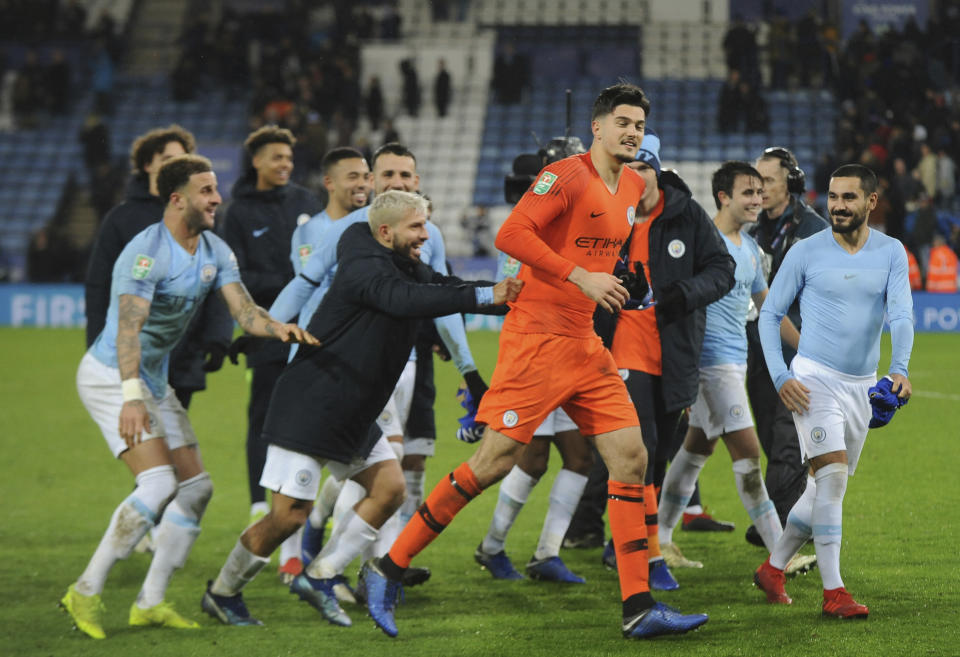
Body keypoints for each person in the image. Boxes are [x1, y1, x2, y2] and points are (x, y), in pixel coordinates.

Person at [360, 83, 709, 640]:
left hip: (584, 342)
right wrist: (580, 276)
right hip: (538, 339)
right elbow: (512, 233)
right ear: (597, 127)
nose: (632, 132)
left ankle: (639, 606)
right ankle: (387, 566)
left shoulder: (633, 185)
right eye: (622, 121)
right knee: (493, 463)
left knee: (631, 457)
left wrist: (620, 276)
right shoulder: (567, 176)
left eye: (639, 125)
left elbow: (594, 247)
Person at [202, 191, 520, 628]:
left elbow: (437, 284)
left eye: (426, 225)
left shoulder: (391, 255)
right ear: (386, 231)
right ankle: (223, 591)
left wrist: (496, 297)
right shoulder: (365, 268)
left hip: (353, 410)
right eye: (416, 227)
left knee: (389, 490)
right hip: (313, 403)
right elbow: (406, 300)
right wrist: (484, 299)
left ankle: (321, 574)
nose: (425, 236)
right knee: (287, 516)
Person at [61, 154, 317, 640]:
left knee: (196, 489)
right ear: (177, 199)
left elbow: (244, 311)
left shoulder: (214, 249)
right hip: (113, 377)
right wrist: (133, 398)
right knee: (158, 486)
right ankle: (85, 590)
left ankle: (150, 602)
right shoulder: (146, 253)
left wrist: (279, 328)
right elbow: (128, 333)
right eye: (206, 191)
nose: (217, 198)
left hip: (152, 380)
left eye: (216, 189)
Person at [753, 164, 913, 618]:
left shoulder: (891, 252)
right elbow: (769, 315)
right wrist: (782, 376)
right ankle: (834, 592)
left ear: (871, 202)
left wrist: (898, 369)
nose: (838, 205)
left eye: (848, 197)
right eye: (833, 196)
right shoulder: (806, 251)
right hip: (813, 379)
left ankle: (773, 566)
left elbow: (901, 315)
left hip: (861, 386)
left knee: (821, 491)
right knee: (833, 477)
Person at [585, 131, 735, 585]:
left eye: (644, 167)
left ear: (657, 172)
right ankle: (643, 555)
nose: (637, 176)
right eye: (629, 168)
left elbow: (722, 271)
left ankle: (627, 542)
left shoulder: (685, 215)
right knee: (641, 451)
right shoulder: (606, 212)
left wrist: (678, 295)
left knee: (660, 454)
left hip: (673, 353)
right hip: (620, 350)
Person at [656, 161, 814, 575]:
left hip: (732, 363)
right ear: (723, 196)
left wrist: (809, 350)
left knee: (694, 452)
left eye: (761, 193)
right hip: (711, 365)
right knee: (747, 453)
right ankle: (781, 553)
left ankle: (661, 539)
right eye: (748, 193)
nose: (758, 201)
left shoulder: (747, 248)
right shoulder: (702, 242)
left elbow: (770, 310)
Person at [219, 125, 323, 565]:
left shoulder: (306, 202)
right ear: (257, 161)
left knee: (309, 420)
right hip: (264, 334)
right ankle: (259, 503)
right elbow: (234, 277)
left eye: (289, 158)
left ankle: (301, 506)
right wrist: (293, 284)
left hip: (313, 331)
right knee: (262, 419)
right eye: (276, 158)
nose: (285, 165)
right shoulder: (236, 212)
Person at [85, 125, 233, 411]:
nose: (177, 165)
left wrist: (219, 338)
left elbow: (220, 281)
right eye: (168, 159)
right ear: (147, 165)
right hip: (134, 355)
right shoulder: (121, 219)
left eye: (183, 159)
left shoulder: (202, 216)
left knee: (174, 443)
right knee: (146, 443)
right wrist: (96, 344)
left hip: (185, 353)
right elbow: (99, 286)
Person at [473, 253, 593, 584]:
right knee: (533, 460)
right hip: (534, 357)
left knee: (580, 457)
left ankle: (547, 554)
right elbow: (512, 291)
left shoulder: (583, 229)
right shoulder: (524, 237)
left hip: (573, 355)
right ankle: (492, 546)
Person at [743, 147, 829, 547]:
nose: (760, 190)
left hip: (798, 352)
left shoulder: (811, 229)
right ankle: (795, 515)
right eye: (756, 182)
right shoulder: (754, 227)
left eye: (770, 181)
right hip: (760, 349)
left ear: (791, 184)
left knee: (784, 437)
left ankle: (780, 525)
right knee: (768, 432)